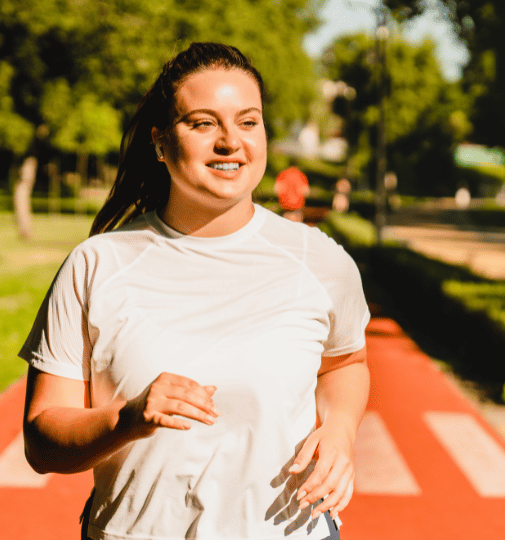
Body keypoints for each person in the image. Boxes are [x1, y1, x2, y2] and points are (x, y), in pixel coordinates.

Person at [19, 42, 371, 540]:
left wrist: (341, 431)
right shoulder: (96, 264)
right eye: (204, 123)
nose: (230, 141)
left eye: (248, 122)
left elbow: (346, 363)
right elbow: (42, 440)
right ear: (161, 143)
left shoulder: (321, 261)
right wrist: (127, 418)